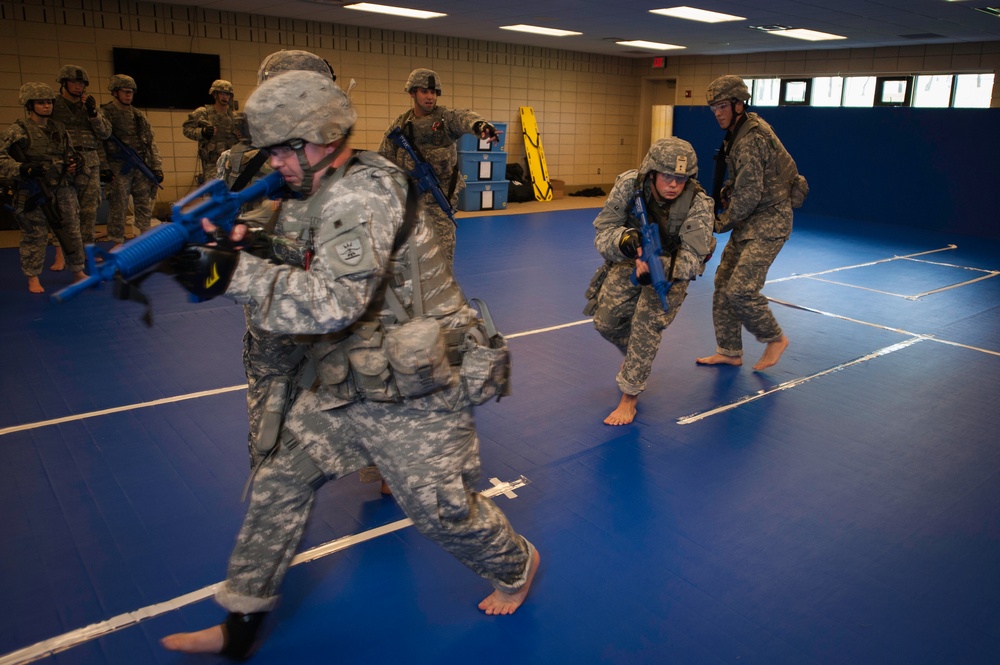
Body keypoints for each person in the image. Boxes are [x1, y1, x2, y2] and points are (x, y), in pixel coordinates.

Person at [160, 70, 538, 659]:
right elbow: (293, 250)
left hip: (417, 391)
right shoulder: (308, 188)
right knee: (277, 480)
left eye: (287, 148)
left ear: (323, 136)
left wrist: (230, 274)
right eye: (272, 150)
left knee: (443, 513)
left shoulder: (363, 193)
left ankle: (516, 564)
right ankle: (241, 625)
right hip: (346, 375)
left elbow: (333, 301)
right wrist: (234, 243)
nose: (277, 162)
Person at [590, 138, 715, 425]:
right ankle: (634, 356)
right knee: (606, 321)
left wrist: (660, 266)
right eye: (667, 176)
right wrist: (624, 241)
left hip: (671, 270)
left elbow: (694, 258)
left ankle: (629, 397)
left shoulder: (698, 203)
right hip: (632, 257)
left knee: (647, 325)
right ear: (652, 172)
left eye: (681, 178)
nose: (673, 184)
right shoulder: (629, 186)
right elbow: (602, 232)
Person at [696, 75, 807, 372]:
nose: (717, 112)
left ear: (738, 104)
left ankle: (775, 339)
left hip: (769, 221)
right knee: (722, 284)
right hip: (751, 220)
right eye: (713, 107)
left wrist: (716, 224)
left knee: (741, 289)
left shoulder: (750, 138)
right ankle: (730, 351)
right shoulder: (740, 130)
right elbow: (745, 181)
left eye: (722, 105)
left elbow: (748, 196)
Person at [378, 68, 499, 264]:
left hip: (439, 204)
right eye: (424, 92)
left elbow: (464, 118)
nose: (430, 97)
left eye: (433, 92)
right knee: (408, 261)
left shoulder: (444, 119)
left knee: (442, 260)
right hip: (409, 205)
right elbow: (383, 159)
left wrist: (481, 127)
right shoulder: (400, 125)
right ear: (412, 93)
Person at [0, 83, 86, 293]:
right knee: (34, 235)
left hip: (63, 188)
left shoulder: (59, 128)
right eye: (41, 102)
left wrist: (75, 163)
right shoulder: (17, 131)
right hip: (33, 190)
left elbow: (71, 153)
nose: (46, 106)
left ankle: (77, 271)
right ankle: (33, 277)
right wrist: (22, 168)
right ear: (30, 105)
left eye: (49, 102)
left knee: (72, 231)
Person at [50, 64, 111, 267]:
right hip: (63, 163)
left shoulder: (90, 106)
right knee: (64, 212)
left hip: (90, 162)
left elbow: (104, 134)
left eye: (81, 83)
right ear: (64, 84)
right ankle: (62, 253)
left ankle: (87, 251)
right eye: (74, 82)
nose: (78, 86)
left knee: (89, 211)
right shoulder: (52, 105)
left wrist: (93, 113)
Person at [101, 74, 164, 247]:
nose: (128, 95)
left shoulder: (138, 115)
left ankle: (143, 239)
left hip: (140, 165)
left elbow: (151, 142)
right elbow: (99, 142)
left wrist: (156, 167)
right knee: (118, 206)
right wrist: (104, 168)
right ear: (114, 92)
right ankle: (117, 242)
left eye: (131, 92)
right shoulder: (105, 114)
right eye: (125, 92)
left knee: (143, 204)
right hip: (117, 167)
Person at [182, 79, 239, 185]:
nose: (225, 97)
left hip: (231, 163)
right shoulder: (203, 113)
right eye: (221, 93)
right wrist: (202, 132)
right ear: (215, 94)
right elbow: (187, 129)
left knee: (232, 194)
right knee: (213, 195)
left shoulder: (235, 117)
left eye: (227, 94)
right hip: (212, 164)